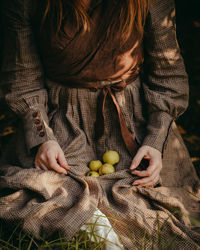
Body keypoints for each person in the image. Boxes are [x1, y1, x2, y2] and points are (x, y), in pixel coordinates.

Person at [0, 0, 200, 249]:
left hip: (131, 118)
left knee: (141, 191)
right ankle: (92, 227)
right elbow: (23, 78)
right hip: (60, 117)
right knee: (44, 188)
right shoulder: (28, 4)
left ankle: (100, 227)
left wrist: (155, 140)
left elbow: (167, 75)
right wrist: (43, 138)